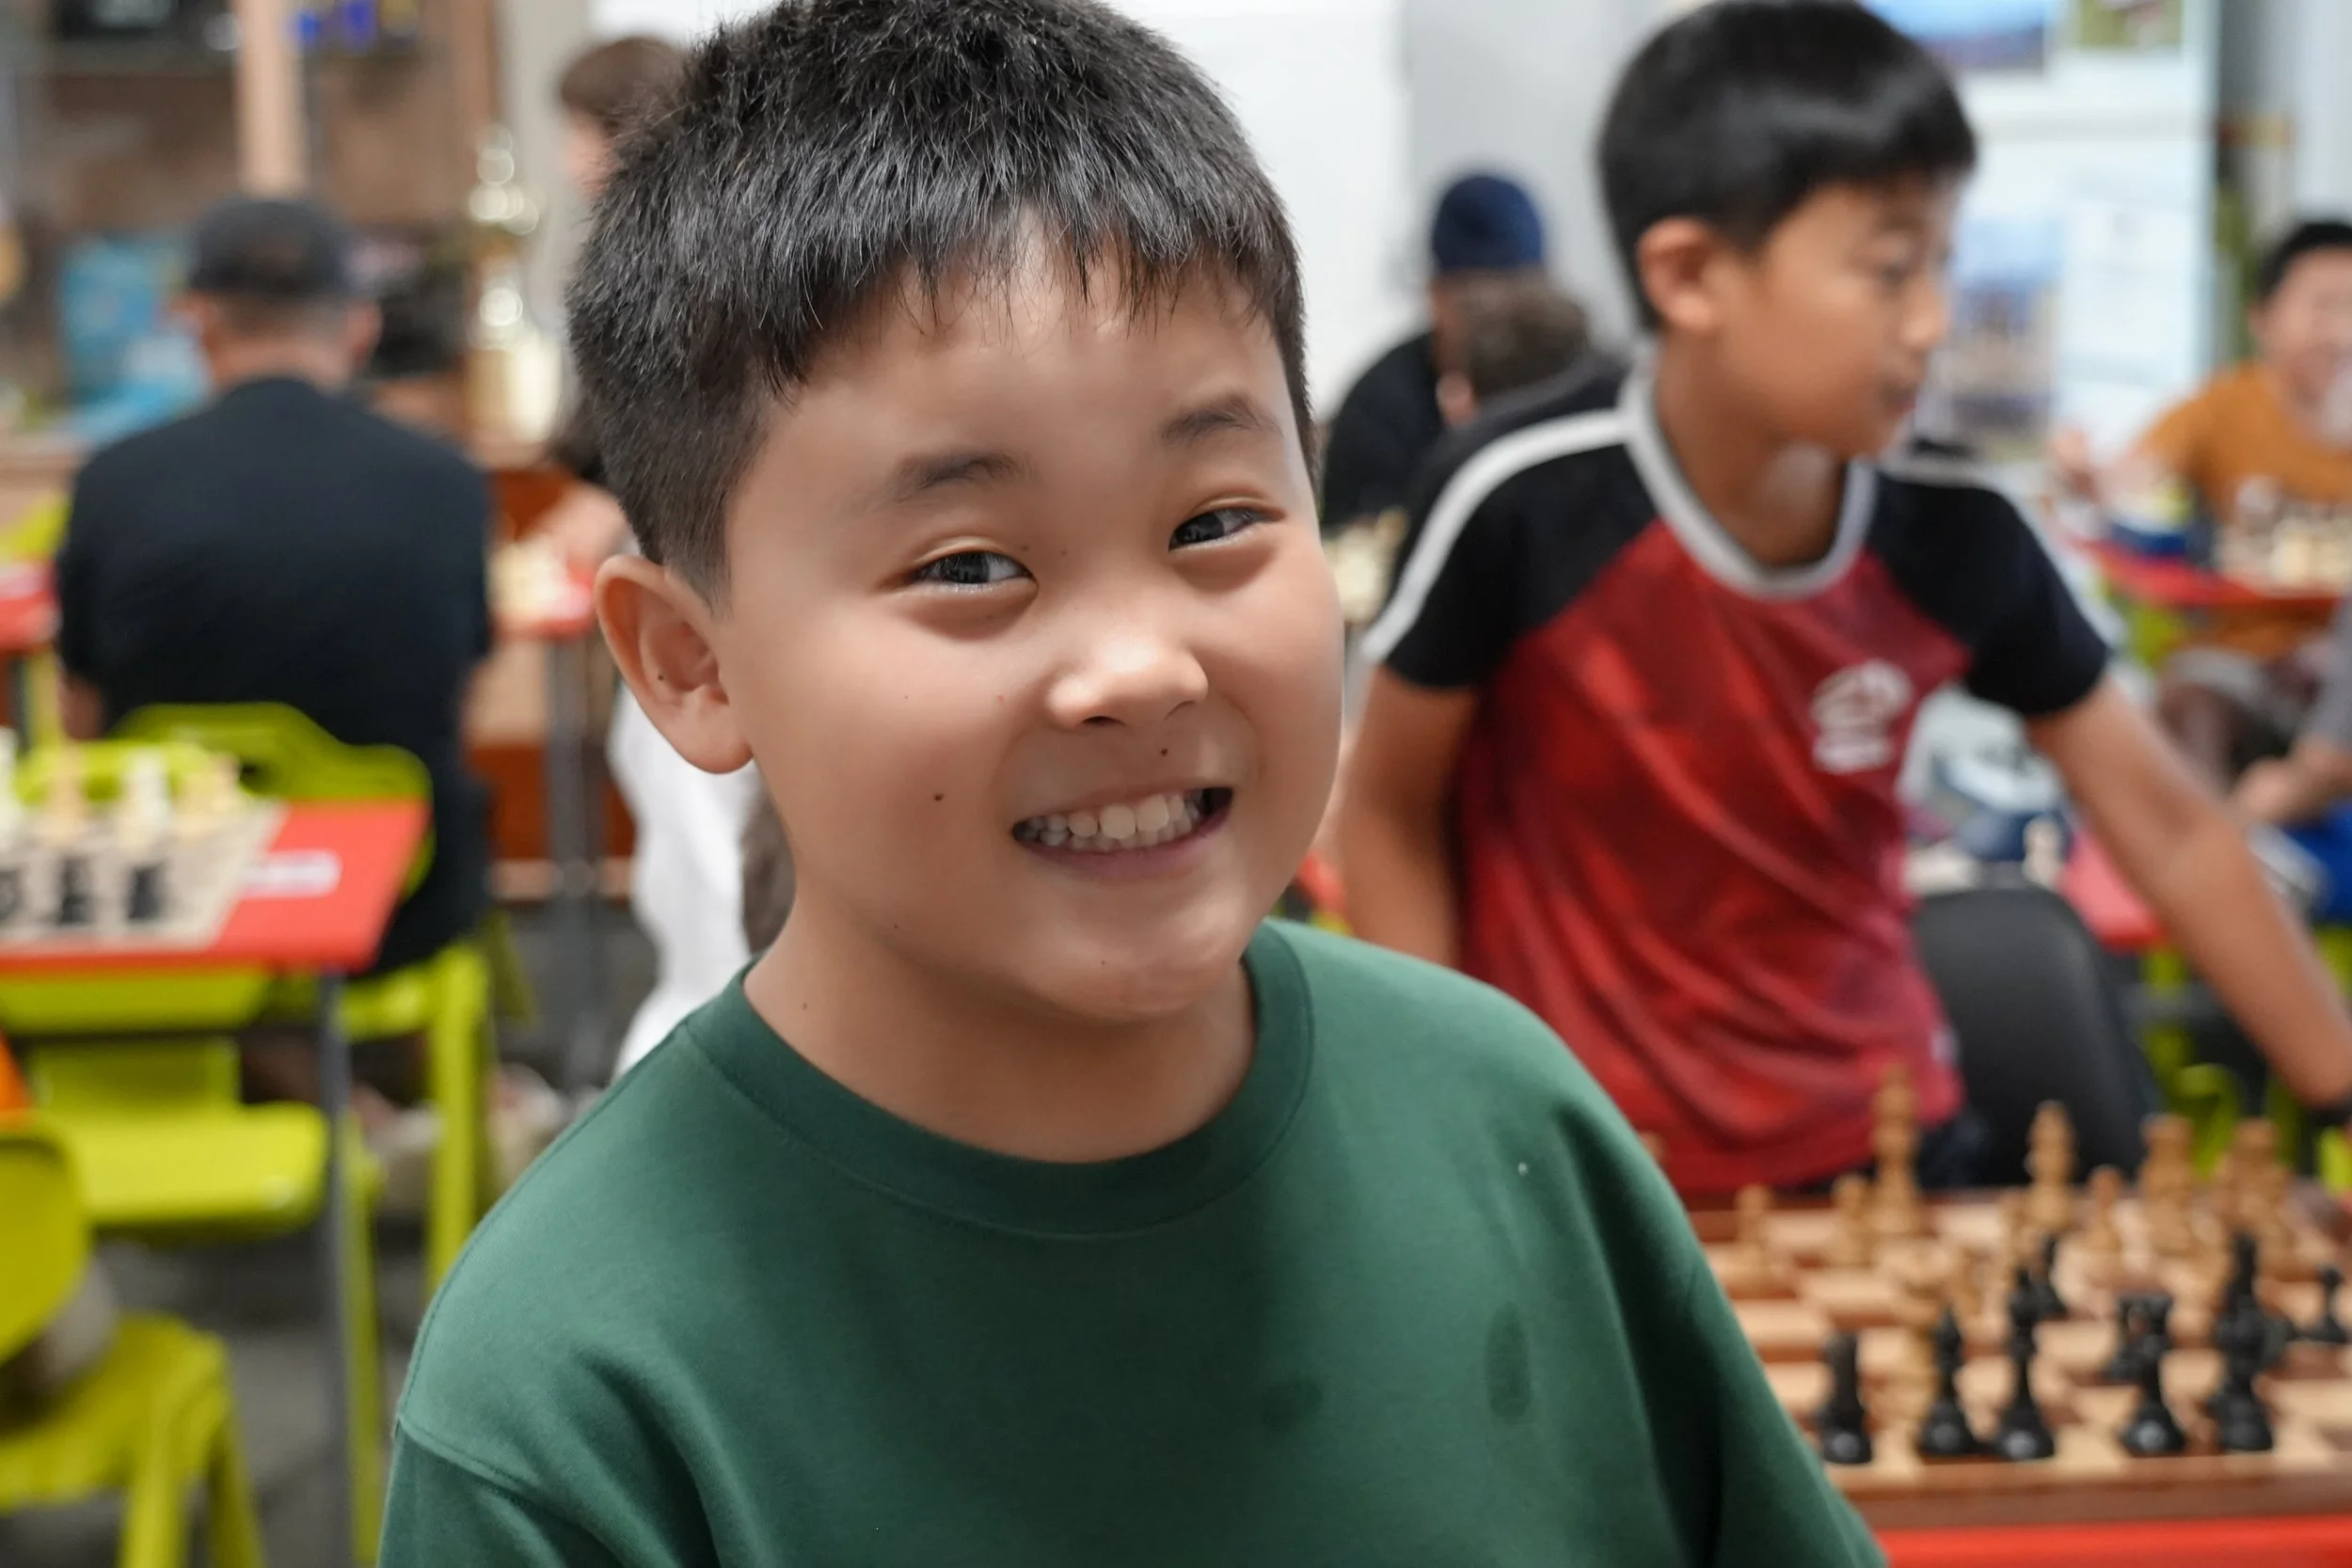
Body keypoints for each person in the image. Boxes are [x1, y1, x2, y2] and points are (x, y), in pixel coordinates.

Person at [380, 2, 1877, 1562]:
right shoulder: (575, 1393)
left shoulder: (1515, 1126)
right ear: (692, 662)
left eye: (1216, 521)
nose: (1144, 668)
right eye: (971, 564)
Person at [1340, 0, 2352, 1198]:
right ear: (1689, 273)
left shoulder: (1954, 525)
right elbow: (1388, 811)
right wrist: (1459, 1116)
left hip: (1884, 1147)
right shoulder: (1516, 498)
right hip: (1583, 1164)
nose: (1933, 320)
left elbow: (2176, 829)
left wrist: (2340, 1092)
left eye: (1941, 259)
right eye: (1887, 268)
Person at [55, 197, 492, 978]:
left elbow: (84, 724)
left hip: (175, 906)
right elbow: (455, 704)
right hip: (401, 895)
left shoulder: (112, 482)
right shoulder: (448, 482)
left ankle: (267, 1061)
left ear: (196, 320)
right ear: (360, 327)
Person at [543, 32, 764, 1077]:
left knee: (709, 829)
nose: (573, 162)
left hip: (709, 576)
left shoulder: (681, 264)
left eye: (582, 133)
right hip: (703, 573)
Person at [2062, 220, 2352, 785]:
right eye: (2324, 309)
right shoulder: (2222, 408)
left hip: (2338, 667)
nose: (2342, 333)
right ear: (2262, 319)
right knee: (2188, 710)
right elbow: (2136, 480)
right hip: (2236, 659)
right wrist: (2089, 477)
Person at [1317, 171, 1550, 535]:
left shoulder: (1579, 389)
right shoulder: (1381, 408)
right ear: (1435, 298)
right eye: (1476, 307)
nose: (1500, 331)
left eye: (1522, 306)